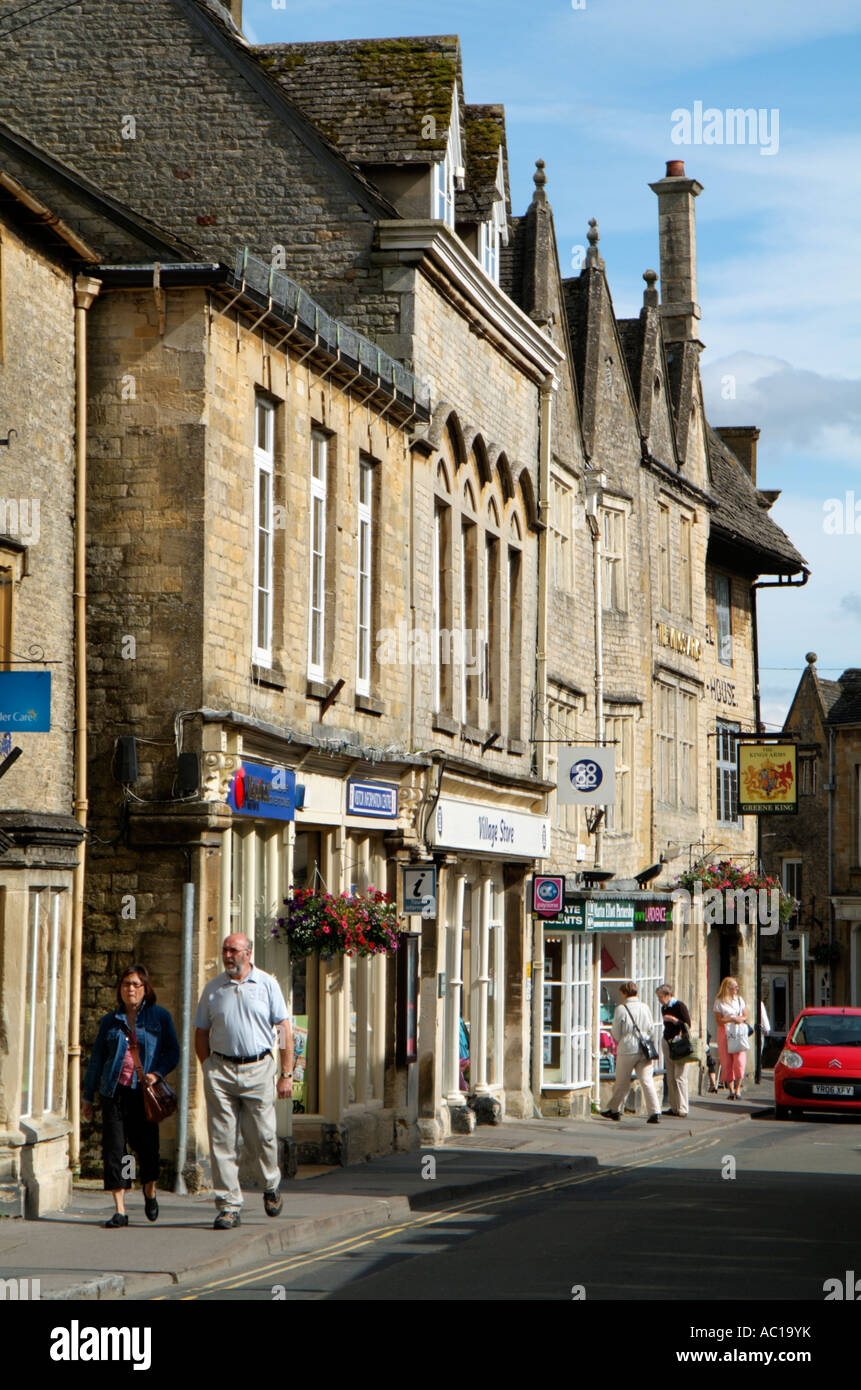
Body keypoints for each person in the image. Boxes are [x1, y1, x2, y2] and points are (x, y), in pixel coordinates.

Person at [194, 934, 293, 1230]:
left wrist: (286, 1074)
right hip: (221, 1070)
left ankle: (270, 1184)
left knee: (262, 1136)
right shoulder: (213, 989)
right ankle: (228, 1206)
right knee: (222, 1141)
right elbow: (201, 1031)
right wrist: (208, 1066)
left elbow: (285, 1030)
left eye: (233, 950)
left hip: (259, 1069)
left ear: (248, 953)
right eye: (225, 950)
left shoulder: (267, 984)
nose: (228, 955)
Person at [82, 964, 179, 1228]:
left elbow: (173, 1052)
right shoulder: (110, 1022)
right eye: (126, 984)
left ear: (146, 989)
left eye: (136, 984)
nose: (131, 989)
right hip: (115, 1093)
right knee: (117, 1150)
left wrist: (156, 1073)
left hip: (144, 1095)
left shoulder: (159, 1017)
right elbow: (97, 1061)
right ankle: (121, 1209)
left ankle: (149, 1191)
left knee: (147, 1150)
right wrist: (88, 1097)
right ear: (120, 990)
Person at [601, 981, 661, 1124]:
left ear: (624, 993)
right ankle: (654, 1112)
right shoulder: (645, 1007)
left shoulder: (621, 1009)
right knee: (647, 1081)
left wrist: (624, 1040)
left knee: (622, 1081)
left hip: (628, 1048)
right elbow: (651, 1029)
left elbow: (615, 1032)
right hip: (644, 1047)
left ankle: (614, 1110)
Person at [656, 984, 691, 1117]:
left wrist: (674, 1020)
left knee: (680, 1076)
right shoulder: (664, 1007)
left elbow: (687, 1024)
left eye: (660, 997)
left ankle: (683, 1108)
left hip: (679, 1044)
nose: (659, 1000)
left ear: (668, 995)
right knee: (670, 1076)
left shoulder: (679, 1006)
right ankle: (674, 1107)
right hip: (667, 1042)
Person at [713, 976, 748, 1099]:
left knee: (739, 1061)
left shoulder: (739, 1000)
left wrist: (740, 1019)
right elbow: (718, 1021)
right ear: (728, 988)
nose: (737, 989)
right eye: (735, 987)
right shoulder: (719, 1001)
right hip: (724, 1032)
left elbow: (745, 1015)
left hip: (738, 1032)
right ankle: (731, 1090)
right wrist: (732, 1018)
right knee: (726, 1062)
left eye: (737, 987)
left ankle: (738, 1089)